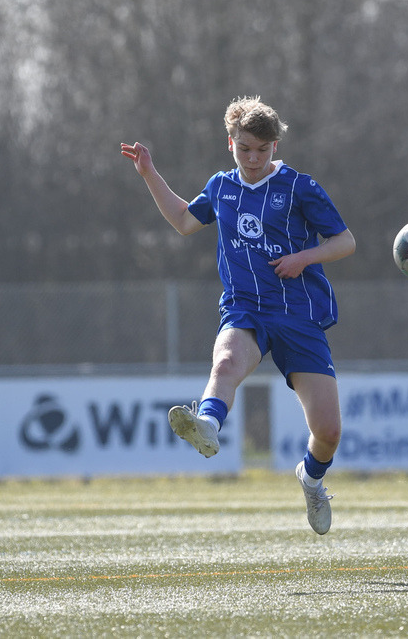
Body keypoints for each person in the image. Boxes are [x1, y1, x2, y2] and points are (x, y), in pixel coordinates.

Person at [121, 96, 356, 535]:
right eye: (244, 148)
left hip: (299, 315)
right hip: (246, 309)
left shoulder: (299, 187)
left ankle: (311, 479)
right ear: (229, 142)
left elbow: (345, 242)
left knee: (328, 432)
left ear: (274, 147)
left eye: (262, 150)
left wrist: (304, 258)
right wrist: (149, 173)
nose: (253, 158)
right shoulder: (220, 188)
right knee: (226, 362)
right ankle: (208, 423)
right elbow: (183, 221)